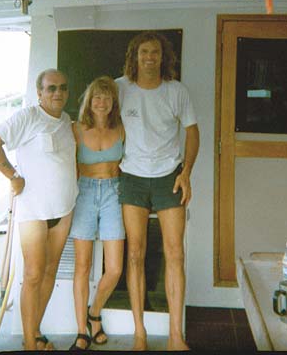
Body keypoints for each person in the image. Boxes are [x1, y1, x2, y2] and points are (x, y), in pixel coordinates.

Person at [0, 69, 76, 351]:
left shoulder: (67, 120)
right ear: (39, 93)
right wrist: (12, 175)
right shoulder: (28, 117)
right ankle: (31, 344)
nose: (57, 93)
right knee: (34, 274)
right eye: (51, 88)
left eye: (62, 87)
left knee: (50, 271)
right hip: (34, 209)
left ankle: (33, 332)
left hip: (64, 208)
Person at [115, 31, 199, 351]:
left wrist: (186, 173)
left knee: (175, 254)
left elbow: (192, 132)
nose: (149, 57)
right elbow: (95, 119)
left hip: (169, 177)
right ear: (134, 57)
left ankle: (176, 336)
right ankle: (140, 333)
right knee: (135, 254)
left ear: (163, 57)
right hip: (131, 177)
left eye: (155, 52)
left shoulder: (176, 91)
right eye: (144, 52)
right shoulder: (119, 88)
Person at [68, 76, 126, 350]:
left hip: (114, 194)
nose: (102, 102)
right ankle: (82, 330)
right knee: (82, 266)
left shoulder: (122, 129)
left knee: (114, 268)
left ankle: (94, 312)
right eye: (97, 97)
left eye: (107, 97)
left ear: (114, 102)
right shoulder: (75, 129)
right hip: (85, 193)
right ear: (89, 102)